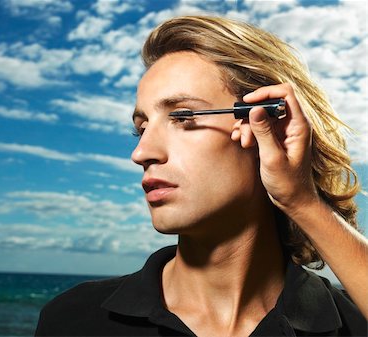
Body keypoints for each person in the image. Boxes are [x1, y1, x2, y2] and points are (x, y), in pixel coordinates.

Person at [35, 16, 368, 336]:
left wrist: (302, 201)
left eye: (182, 116)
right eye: (141, 128)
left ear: (270, 125)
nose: (141, 153)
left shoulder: (353, 326)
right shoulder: (73, 319)